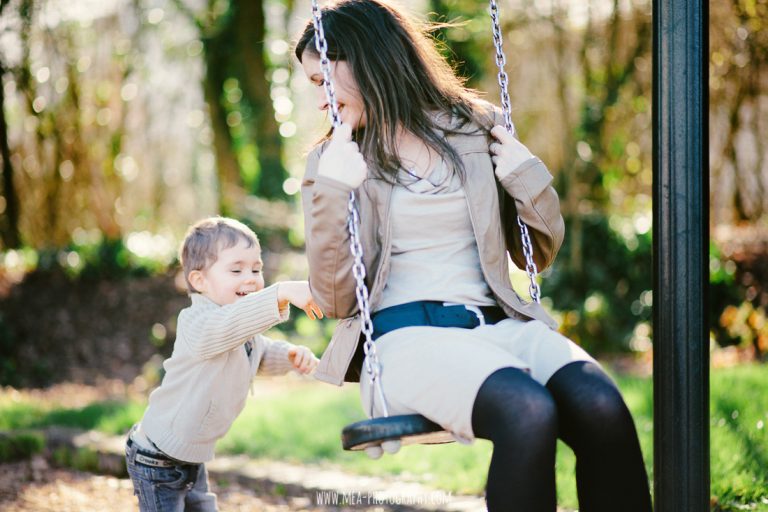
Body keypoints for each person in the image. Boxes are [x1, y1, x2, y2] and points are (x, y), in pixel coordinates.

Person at [294, 1, 652, 511]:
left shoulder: (474, 127)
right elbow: (334, 297)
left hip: (499, 327)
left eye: (320, 80)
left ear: (363, 60)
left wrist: (525, 174)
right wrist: (334, 187)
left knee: (602, 406)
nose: (320, 101)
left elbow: (539, 253)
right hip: (405, 339)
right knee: (526, 412)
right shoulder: (333, 159)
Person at [125, 216, 322, 511]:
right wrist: (280, 293)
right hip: (157, 460)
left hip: (193, 457)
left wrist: (289, 355)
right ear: (199, 280)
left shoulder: (240, 327)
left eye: (257, 269)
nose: (251, 277)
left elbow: (257, 353)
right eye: (236, 269)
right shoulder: (197, 323)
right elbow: (224, 330)